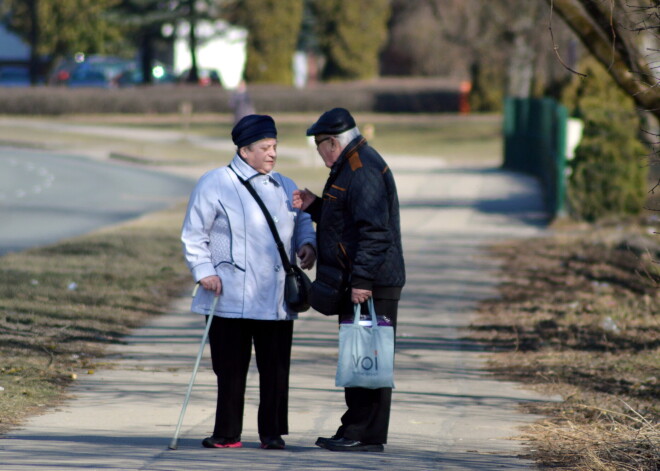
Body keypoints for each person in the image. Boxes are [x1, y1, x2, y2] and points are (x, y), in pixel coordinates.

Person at [181, 114, 316, 450]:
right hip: (227, 294)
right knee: (229, 370)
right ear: (244, 150)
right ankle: (227, 433)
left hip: (274, 297)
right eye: (264, 147)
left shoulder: (285, 184)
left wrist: (307, 244)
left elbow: (302, 221)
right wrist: (204, 271)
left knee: (275, 369)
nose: (272, 153)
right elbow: (193, 235)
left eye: (274, 147)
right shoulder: (215, 183)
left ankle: (272, 433)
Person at [292, 108, 405, 452]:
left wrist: (362, 281)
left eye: (319, 145)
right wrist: (316, 207)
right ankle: (358, 429)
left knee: (367, 361)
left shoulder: (362, 169)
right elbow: (347, 215)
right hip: (362, 279)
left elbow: (373, 231)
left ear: (333, 142)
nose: (319, 152)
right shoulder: (351, 165)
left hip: (370, 282)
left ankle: (363, 432)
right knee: (362, 359)